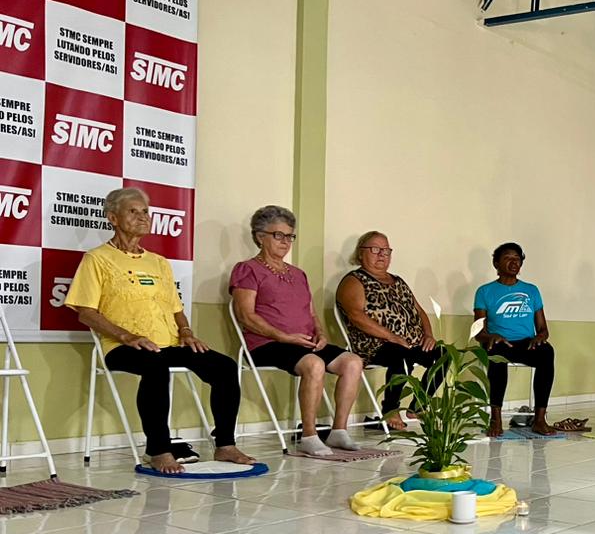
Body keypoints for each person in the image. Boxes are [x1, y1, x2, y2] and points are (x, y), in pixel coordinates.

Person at [67, 187, 256, 474]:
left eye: (145, 212)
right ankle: (158, 449)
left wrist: (187, 332)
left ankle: (225, 445)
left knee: (225, 366)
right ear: (113, 218)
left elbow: (175, 307)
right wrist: (126, 336)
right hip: (122, 348)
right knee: (155, 367)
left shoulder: (158, 262)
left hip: (168, 344)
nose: (143, 217)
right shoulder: (97, 259)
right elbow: (86, 312)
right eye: (134, 211)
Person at [231, 205, 367, 456]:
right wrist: (283, 336)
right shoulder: (247, 269)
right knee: (314, 365)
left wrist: (322, 334)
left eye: (290, 236)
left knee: (353, 362)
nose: (285, 242)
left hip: (303, 342)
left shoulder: (298, 273)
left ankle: (338, 431)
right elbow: (245, 316)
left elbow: (311, 314)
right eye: (278, 235)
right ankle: (309, 435)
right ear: (260, 236)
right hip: (266, 344)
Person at [336, 231, 440, 432]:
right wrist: (393, 337)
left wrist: (428, 335)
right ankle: (391, 408)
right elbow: (356, 316)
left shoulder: (398, 281)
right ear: (360, 253)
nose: (382, 254)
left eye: (386, 250)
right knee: (401, 356)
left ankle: (418, 405)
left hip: (410, 343)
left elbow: (419, 311)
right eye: (375, 249)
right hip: (375, 345)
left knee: (443, 357)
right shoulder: (354, 281)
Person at [474, 242, 556, 437]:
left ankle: (539, 419)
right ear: (496, 263)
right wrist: (490, 336)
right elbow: (479, 332)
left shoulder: (532, 290)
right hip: (499, 343)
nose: (514, 262)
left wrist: (540, 338)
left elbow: (543, 329)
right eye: (508, 258)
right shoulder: (484, 291)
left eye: (517, 259)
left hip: (526, 343)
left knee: (547, 352)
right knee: (496, 356)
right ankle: (495, 418)